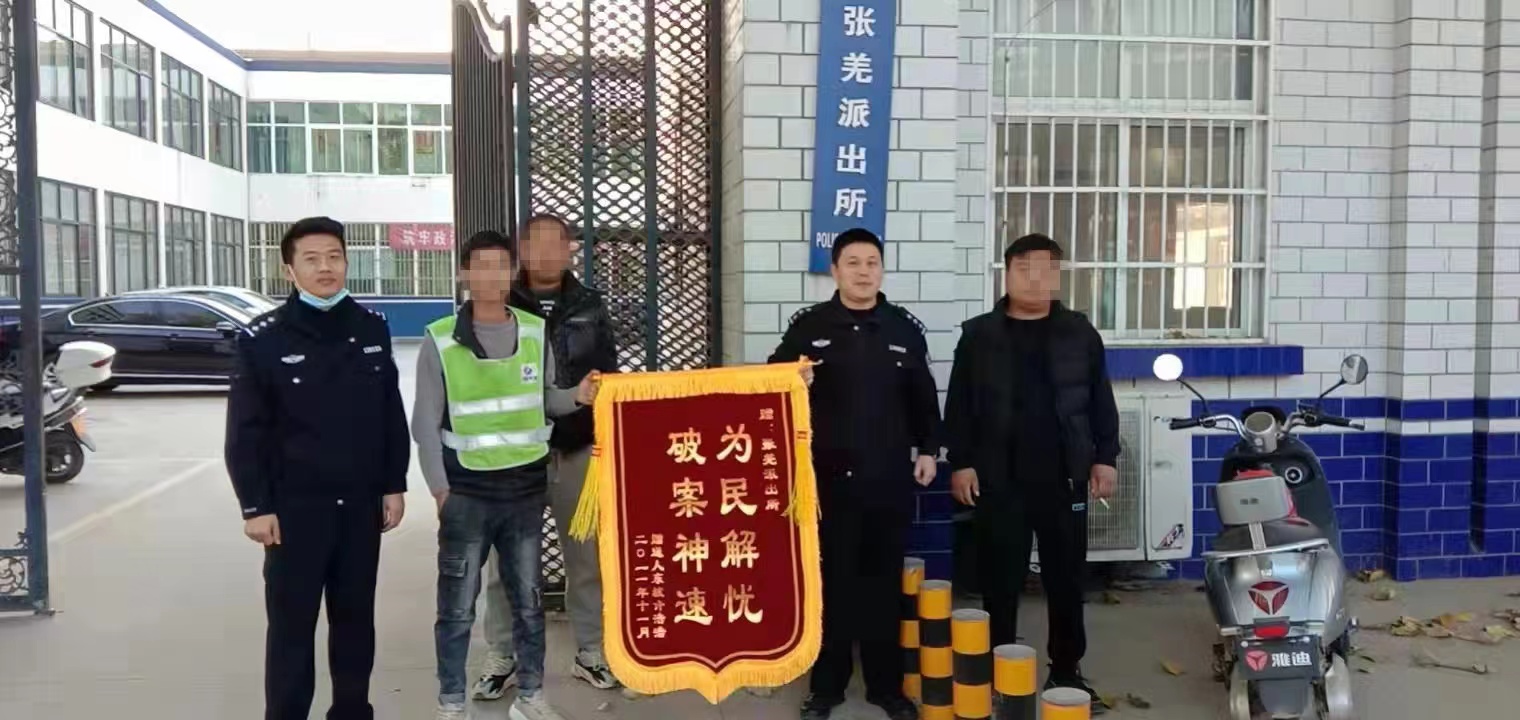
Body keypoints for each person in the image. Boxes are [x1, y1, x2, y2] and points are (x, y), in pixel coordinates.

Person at [225, 216, 411, 720]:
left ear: (346, 262)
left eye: (333, 256)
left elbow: (389, 412)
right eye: (311, 259)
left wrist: (393, 484)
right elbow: (245, 431)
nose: (324, 267)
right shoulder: (263, 338)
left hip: (359, 507)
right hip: (293, 511)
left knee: (355, 623)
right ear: (290, 270)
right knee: (292, 628)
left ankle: (351, 711)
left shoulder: (370, 327)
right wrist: (255, 506)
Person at [412, 229, 600, 720]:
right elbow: (425, 425)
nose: (491, 276)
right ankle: (451, 703)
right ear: (464, 273)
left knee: (529, 601)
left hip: (523, 491)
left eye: (501, 266)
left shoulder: (534, 332)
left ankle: (531, 697)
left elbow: (547, 400)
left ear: (511, 273)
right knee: (457, 607)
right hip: (467, 491)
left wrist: (577, 396)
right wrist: (439, 490)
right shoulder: (440, 339)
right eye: (481, 266)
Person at [768, 228, 941, 720]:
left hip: (888, 477)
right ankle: (826, 688)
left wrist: (930, 450)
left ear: (881, 270)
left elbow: (924, 398)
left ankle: (887, 687)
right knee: (833, 583)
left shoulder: (903, 329)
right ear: (835, 270)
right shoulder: (810, 327)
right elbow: (770, 383)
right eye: (853, 263)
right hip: (828, 480)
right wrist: (792, 378)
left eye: (872, 263)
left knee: (884, 585)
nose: (864, 272)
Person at [943, 232, 1120, 714]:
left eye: (1046, 269)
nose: (1035, 279)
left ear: (1058, 276)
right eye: (1024, 269)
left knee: (1066, 580)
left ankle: (1066, 670)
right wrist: (960, 462)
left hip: (1065, 478)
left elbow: (1099, 400)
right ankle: (1000, 672)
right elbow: (959, 404)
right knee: (1001, 580)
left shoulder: (1079, 333)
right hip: (999, 478)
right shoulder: (979, 335)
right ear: (1007, 274)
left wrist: (1105, 456)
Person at [471, 213, 621, 699]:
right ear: (522, 251)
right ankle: (502, 655)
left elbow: (608, 375)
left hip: (578, 450)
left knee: (586, 559)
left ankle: (590, 651)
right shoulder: (500, 302)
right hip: (517, 456)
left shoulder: (590, 305)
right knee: (506, 564)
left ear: (570, 249)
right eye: (536, 244)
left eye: (558, 243)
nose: (548, 253)